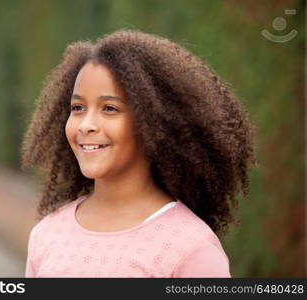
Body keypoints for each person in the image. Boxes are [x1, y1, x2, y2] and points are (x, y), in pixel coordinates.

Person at [21, 30, 256, 277]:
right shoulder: (48, 234)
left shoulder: (191, 248)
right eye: (77, 107)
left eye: (110, 108)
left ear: (153, 122)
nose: (85, 124)